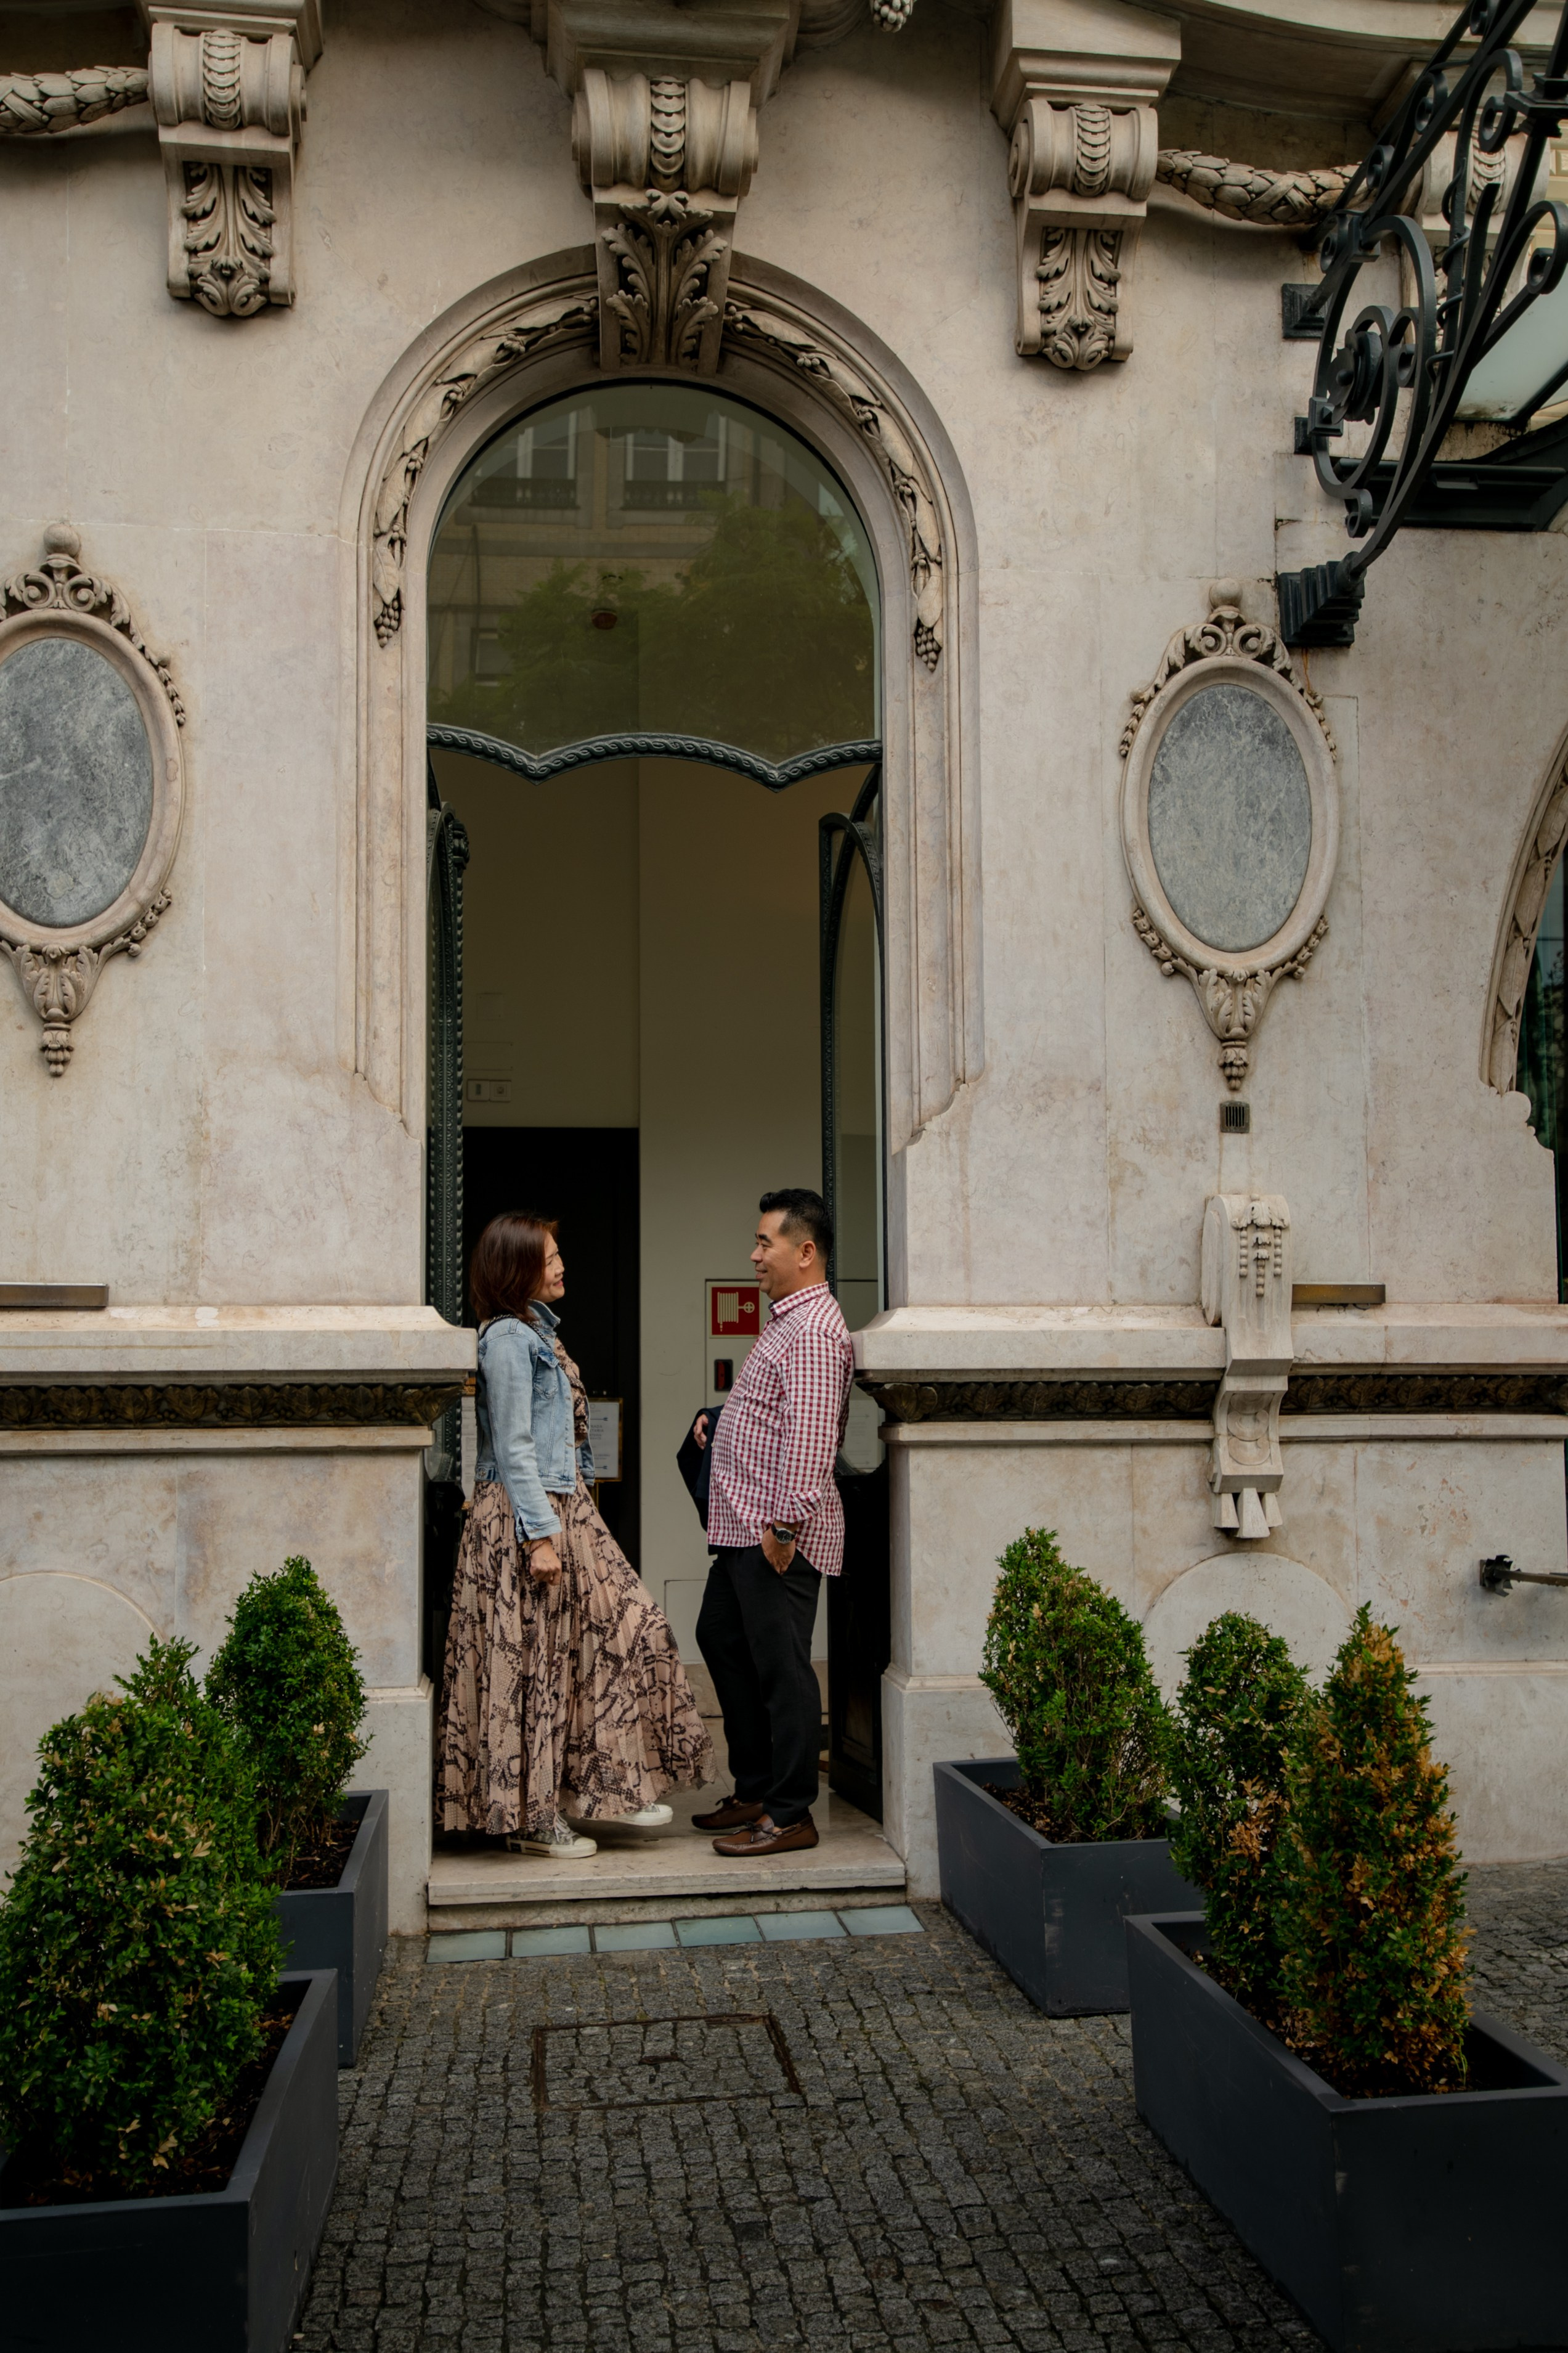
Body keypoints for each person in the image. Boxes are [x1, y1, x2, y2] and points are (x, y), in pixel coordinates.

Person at [437, 1212, 713, 1856]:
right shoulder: (507, 1337)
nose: (562, 1265)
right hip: (526, 1514)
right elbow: (511, 1444)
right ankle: (533, 1819)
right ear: (516, 1268)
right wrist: (539, 1534)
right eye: (550, 1256)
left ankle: (608, 1785)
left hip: (566, 1509)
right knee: (533, 1665)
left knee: (620, 1636)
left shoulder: (538, 1332)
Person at [691, 1189, 855, 1857]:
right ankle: (757, 1785)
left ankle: (790, 1812)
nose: (754, 1254)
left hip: (775, 1535)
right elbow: (776, 1414)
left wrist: (785, 1527)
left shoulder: (814, 1330)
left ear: (805, 1251)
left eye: (766, 1243)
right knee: (722, 1639)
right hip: (742, 1529)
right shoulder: (787, 1321)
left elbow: (812, 1439)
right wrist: (721, 1421)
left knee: (783, 1669)